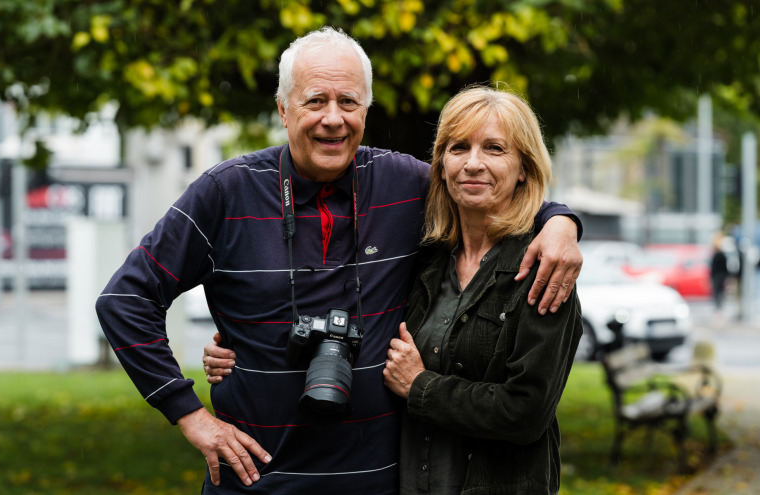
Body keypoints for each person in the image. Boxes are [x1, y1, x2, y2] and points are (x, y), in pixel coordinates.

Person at [96, 27, 582, 495]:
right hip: (256, 483)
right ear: (283, 110)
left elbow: (488, 186)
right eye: (315, 101)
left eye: (348, 102)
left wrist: (561, 223)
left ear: (366, 110)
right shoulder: (226, 192)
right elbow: (125, 299)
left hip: (383, 481)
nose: (334, 118)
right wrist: (190, 415)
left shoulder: (405, 183)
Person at [382, 86, 582, 494]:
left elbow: (525, 413)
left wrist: (421, 386)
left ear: (523, 168)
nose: (473, 164)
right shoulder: (424, 260)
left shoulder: (543, 270)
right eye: (459, 148)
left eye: (494, 149)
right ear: (440, 166)